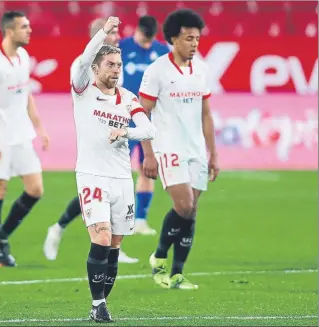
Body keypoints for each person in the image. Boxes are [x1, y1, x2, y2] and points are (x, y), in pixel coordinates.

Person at [71, 17, 156, 322]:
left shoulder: (128, 99)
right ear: (97, 68)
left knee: (115, 245)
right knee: (102, 238)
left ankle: (101, 303)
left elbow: (148, 130)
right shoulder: (82, 89)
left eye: (119, 65)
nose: (116, 70)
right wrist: (103, 34)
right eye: (110, 64)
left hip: (122, 178)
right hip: (92, 175)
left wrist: (126, 133)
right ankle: (97, 304)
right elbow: (82, 59)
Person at [43, 17, 138, 264]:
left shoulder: (115, 64)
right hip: (94, 135)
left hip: (115, 135)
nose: (118, 38)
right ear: (100, 35)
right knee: (97, 192)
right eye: (113, 34)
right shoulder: (82, 64)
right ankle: (60, 228)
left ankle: (109, 244)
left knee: (108, 192)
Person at [138, 9, 220, 289]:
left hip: (196, 148)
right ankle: (159, 257)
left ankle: (177, 273)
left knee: (192, 211)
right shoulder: (157, 70)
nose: (194, 44)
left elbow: (206, 114)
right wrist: (148, 153)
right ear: (173, 38)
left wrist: (214, 154)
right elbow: (141, 113)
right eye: (189, 38)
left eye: (197, 38)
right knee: (183, 205)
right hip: (167, 148)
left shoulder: (202, 69)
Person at [0, 11, 50, 268]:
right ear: (10, 31)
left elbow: (26, 94)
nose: (30, 30)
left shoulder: (23, 57)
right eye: (24, 26)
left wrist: (39, 128)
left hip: (21, 135)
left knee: (35, 189)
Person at [119, 15, 170, 235]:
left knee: (148, 168)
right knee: (119, 170)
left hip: (151, 120)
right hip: (124, 118)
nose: (147, 43)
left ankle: (140, 219)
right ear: (137, 30)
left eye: (151, 39)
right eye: (144, 38)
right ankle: (118, 217)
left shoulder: (161, 52)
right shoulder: (120, 48)